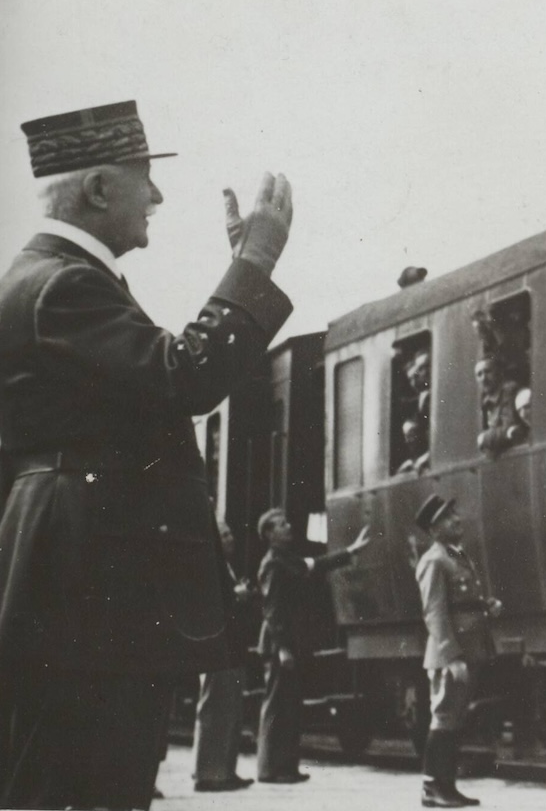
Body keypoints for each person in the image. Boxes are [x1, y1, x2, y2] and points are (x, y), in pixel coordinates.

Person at [0, 100, 294, 811]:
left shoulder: (43, 278)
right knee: (97, 787)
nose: (157, 197)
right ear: (99, 189)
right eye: (144, 179)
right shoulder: (66, 285)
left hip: (72, 581)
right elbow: (185, 377)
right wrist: (254, 261)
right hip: (95, 595)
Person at [255, 508, 370, 784]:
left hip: (289, 643)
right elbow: (272, 610)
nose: (288, 526)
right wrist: (282, 647)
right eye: (282, 524)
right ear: (270, 534)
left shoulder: (285, 559)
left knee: (289, 706)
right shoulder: (273, 563)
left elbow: (315, 565)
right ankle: (270, 769)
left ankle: (286, 767)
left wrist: (349, 552)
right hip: (279, 644)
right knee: (277, 706)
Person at [415, 494, 502, 808]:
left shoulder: (458, 556)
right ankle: (432, 787)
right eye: (449, 518)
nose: (458, 520)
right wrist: (451, 656)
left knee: (453, 721)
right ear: (435, 529)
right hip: (450, 655)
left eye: (455, 514)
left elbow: (459, 603)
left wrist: (485, 607)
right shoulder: (434, 560)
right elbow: (434, 613)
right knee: (444, 718)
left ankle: (446, 787)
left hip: (470, 649)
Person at [193, 521, 256, 792]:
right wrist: (236, 595)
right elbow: (209, 604)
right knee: (215, 708)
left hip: (229, 649)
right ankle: (208, 774)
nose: (231, 539)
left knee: (229, 709)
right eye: (225, 535)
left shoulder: (224, 567)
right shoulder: (209, 567)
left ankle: (224, 770)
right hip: (217, 649)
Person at [475, 356, 525, 458]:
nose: (484, 378)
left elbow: (509, 429)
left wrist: (484, 438)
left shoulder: (509, 391)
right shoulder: (484, 403)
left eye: (487, 372)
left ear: (498, 373)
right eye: (479, 374)